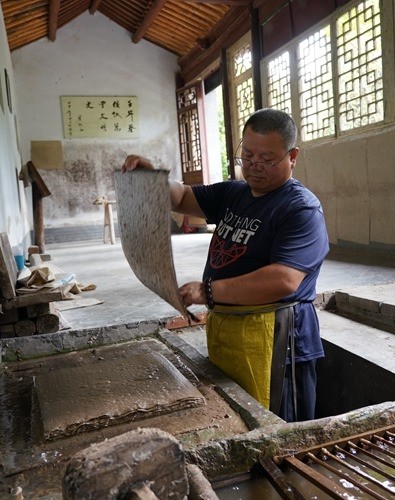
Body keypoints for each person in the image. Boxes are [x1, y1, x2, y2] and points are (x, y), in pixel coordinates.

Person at [122, 108, 329, 422]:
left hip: (279, 343)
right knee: (242, 416)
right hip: (232, 328)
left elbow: (284, 280)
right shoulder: (235, 193)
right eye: (247, 154)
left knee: (282, 428)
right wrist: (152, 179)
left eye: (267, 158)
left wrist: (207, 291)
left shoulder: (300, 208)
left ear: (293, 155)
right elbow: (181, 197)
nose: (254, 166)